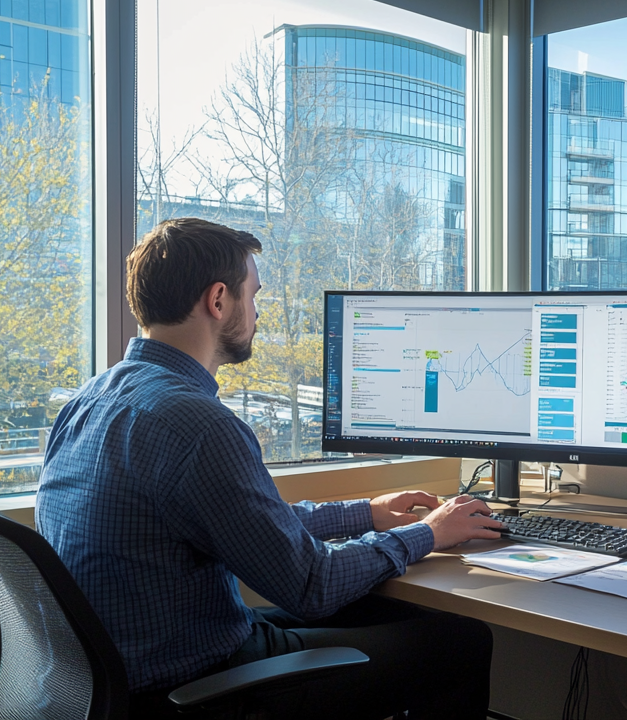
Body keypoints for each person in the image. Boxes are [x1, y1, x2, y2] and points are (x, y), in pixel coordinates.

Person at [36, 217, 502, 719]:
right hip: (194, 685)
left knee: (394, 612)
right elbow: (311, 587)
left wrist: (368, 514)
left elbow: (251, 525)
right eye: (253, 296)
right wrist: (427, 535)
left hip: (112, 679)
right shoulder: (198, 424)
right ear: (218, 301)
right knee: (459, 641)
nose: (257, 312)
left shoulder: (89, 400)